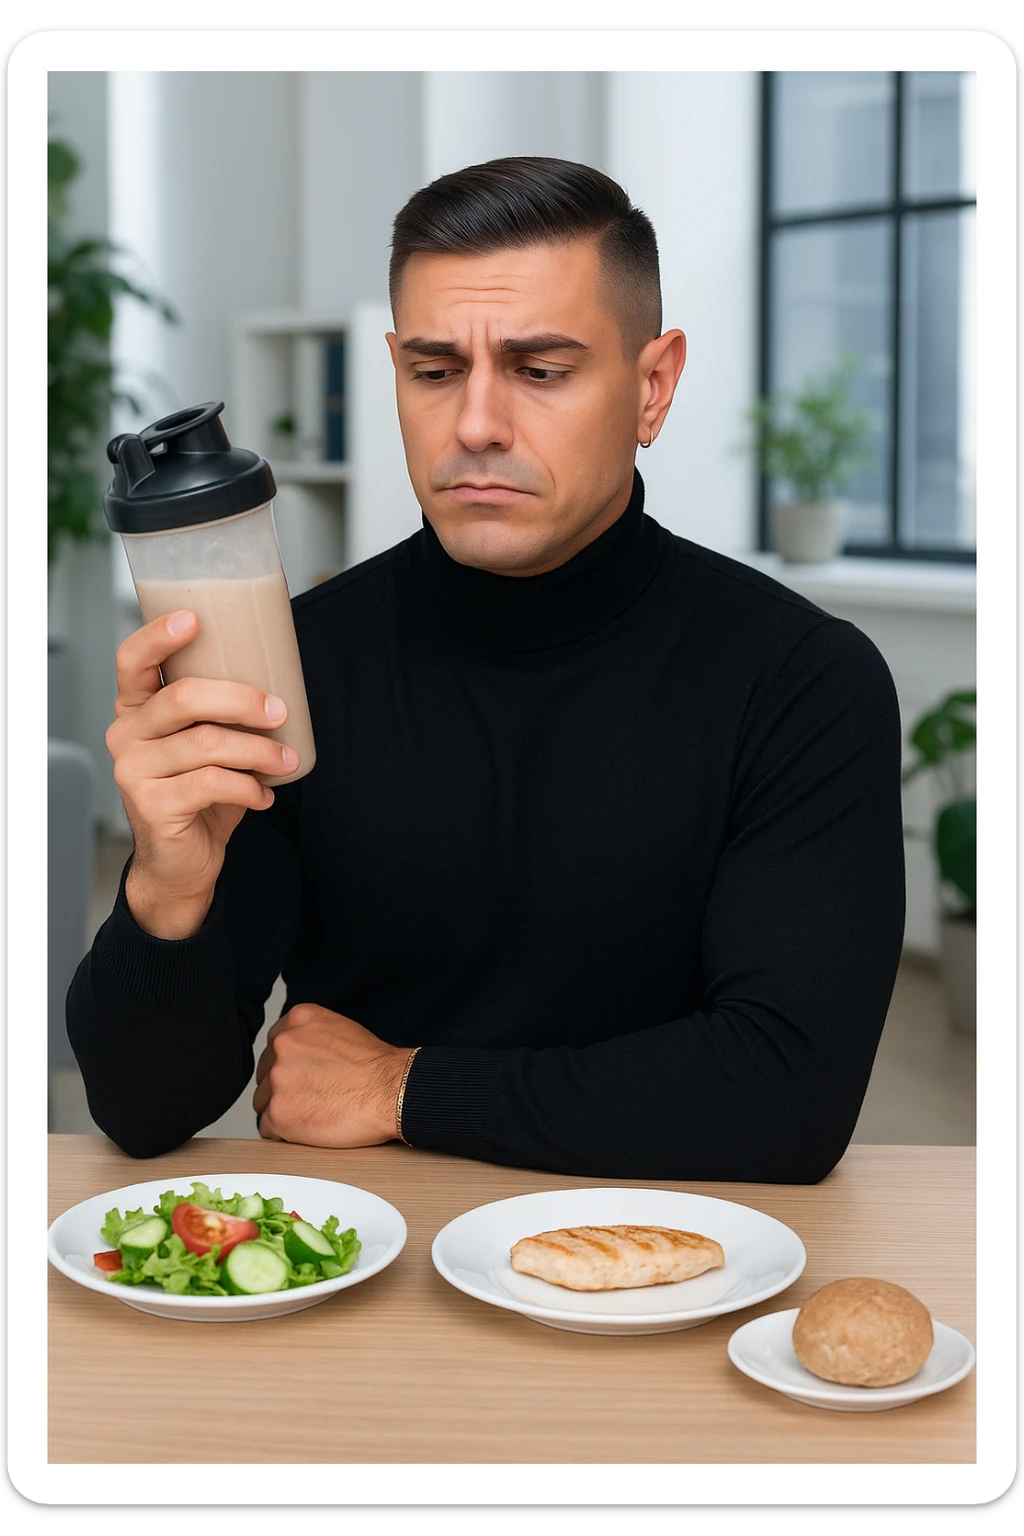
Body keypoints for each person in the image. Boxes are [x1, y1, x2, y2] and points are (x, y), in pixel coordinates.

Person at [67, 157, 906, 1180]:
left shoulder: (802, 683)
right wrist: (167, 887)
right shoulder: (294, 664)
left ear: (652, 386)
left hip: (673, 1265)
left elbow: (787, 1095)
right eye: (432, 370)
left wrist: (398, 1086)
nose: (473, 425)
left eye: (539, 369)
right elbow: (143, 1110)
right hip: (372, 1268)